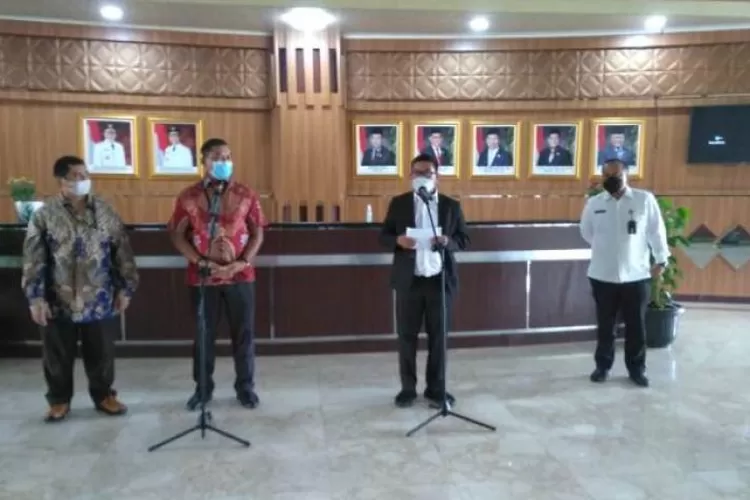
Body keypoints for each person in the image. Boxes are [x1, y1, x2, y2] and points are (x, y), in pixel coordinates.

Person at [21, 155, 138, 422]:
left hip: (99, 297)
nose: (83, 179)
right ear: (61, 180)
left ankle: (104, 396)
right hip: (57, 299)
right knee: (57, 354)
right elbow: (33, 258)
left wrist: (126, 288)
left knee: (102, 352)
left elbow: (122, 251)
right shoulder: (45, 215)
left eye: (85, 174)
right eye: (76, 175)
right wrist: (35, 298)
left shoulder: (105, 212)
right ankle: (59, 400)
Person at [168, 137, 267, 410]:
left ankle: (245, 388)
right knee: (204, 336)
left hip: (240, 277)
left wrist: (243, 262)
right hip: (203, 278)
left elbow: (258, 232)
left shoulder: (246, 194)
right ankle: (202, 390)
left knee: (243, 335)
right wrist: (199, 261)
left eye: (227, 157)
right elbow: (177, 235)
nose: (224, 162)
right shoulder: (188, 196)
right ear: (204, 161)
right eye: (217, 157)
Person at [379, 153, 469, 408]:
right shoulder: (399, 204)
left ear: (436, 176)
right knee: (406, 337)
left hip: (440, 281)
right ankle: (407, 389)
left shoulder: (451, 206)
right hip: (409, 281)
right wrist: (398, 240)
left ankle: (436, 389)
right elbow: (383, 236)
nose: (422, 177)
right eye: (417, 173)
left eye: (427, 173)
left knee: (439, 338)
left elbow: (464, 239)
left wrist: (447, 241)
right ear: (410, 176)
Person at [580, 159, 669, 388]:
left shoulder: (644, 200)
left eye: (617, 175)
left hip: (636, 275)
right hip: (603, 274)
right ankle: (602, 366)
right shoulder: (594, 203)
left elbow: (656, 231)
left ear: (627, 175)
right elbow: (587, 233)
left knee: (636, 326)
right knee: (605, 326)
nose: (612, 179)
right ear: (602, 177)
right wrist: (607, 248)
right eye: (607, 175)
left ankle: (637, 369)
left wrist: (661, 259)